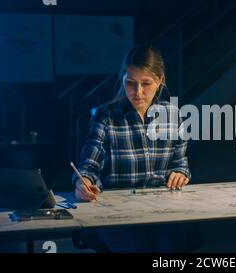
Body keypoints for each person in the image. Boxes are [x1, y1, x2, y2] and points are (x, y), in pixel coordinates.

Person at [73, 45, 201, 252]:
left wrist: (180, 172)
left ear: (160, 81)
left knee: (171, 249)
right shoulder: (105, 117)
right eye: (130, 83)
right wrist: (83, 182)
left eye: (146, 83)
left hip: (162, 209)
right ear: (122, 80)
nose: (138, 92)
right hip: (117, 212)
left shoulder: (173, 115)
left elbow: (179, 162)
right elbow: (89, 166)